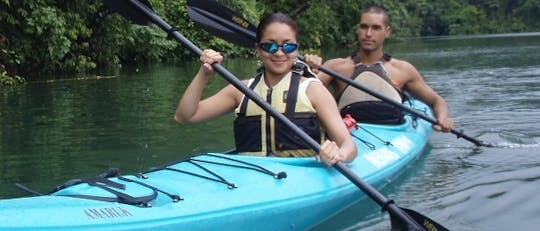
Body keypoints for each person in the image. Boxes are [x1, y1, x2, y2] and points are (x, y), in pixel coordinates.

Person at [175, 13, 357, 165]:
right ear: (258, 49)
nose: (279, 53)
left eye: (288, 46)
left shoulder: (313, 90)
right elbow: (185, 116)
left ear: (296, 49)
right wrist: (203, 74)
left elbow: (349, 146)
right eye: (270, 45)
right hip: (254, 177)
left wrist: (337, 154)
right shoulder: (241, 90)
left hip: (303, 175)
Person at [304, 5, 454, 131]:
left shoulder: (402, 70)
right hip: (350, 132)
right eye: (364, 27)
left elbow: (436, 101)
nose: (368, 34)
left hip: (393, 132)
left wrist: (443, 118)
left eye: (376, 28)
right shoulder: (335, 67)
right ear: (358, 29)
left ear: (387, 32)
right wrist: (308, 70)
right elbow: (300, 93)